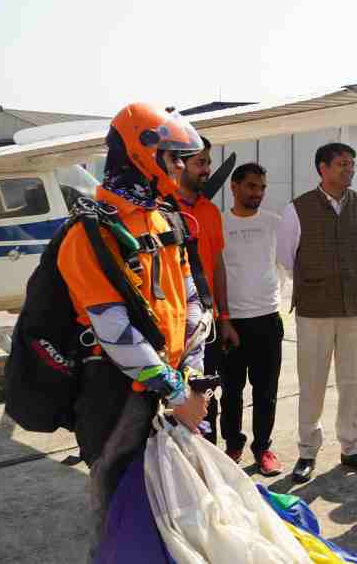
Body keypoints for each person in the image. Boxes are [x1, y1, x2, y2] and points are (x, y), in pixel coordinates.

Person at [59, 104, 209, 551]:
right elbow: (114, 331)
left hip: (174, 389)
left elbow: (192, 303)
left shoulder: (163, 219)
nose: (181, 167)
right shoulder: (90, 232)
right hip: (118, 397)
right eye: (173, 156)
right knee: (118, 510)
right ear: (142, 154)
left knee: (178, 511)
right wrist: (179, 393)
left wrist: (194, 378)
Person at [277, 142, 357, 483]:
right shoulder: (297, 209)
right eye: (341, 164)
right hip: (314, 310)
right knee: (312, 382)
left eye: (352, 163)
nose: (348, 169)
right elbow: (287, 258)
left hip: (354, 309)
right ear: (322, 168)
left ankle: (350, 447)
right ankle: (307, 451)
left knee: (353, 382)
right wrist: (319, 281)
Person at [221, 163, 286, 477]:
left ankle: (263, 448)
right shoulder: (219, 224)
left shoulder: (275, 223)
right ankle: (232, 445)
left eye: (261, 187)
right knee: (231, 391)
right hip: (231, 323)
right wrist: (222, 318)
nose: (257, 193)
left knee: (266, 391)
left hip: (267, 321)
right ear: (234, 187)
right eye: (250, 186)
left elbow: (287, 263)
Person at [175, 136, 239, 447]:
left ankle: (207, 461)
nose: (207, 170)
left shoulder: (211, 212)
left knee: (206, 401)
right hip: (172, 329)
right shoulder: (160, 210)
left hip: (207, 326)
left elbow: (217, 266)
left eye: (208, 163)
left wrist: (224, 317)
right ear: (179, 165)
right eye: (200, 163)